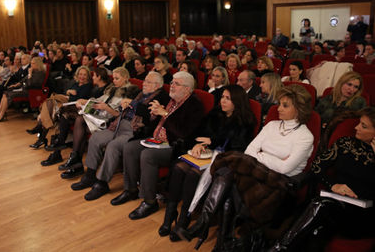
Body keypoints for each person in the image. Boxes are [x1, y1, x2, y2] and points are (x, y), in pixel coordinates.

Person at [181, 84, 314, 250]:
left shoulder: (305, 136)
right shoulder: (272, 125)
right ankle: (220, 242)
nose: (278, 108)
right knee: (228, 176)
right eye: (279, 103)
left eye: (285, 105)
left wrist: (261, 155)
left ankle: (204, 224)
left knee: (230, 164)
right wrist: (268, 157)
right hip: (252, 173)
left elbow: (285, 168)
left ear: (300, 109)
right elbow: (250, 150)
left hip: (277, 184)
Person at [270, 107, 375, 251]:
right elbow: (316, 166)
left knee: (320, 207)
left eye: (364, 126)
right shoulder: (345, 143)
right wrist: (333, 185)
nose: (356, 127)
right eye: (359, 123)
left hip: (361, 216)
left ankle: (278, 249)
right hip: (335, 204)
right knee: (316, 229)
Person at [159, 85, 256, 242]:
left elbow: (239, 146)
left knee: (192, 174)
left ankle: (184, 218)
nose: (222, 101)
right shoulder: (215, 113)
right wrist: (198, 144)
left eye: (227, 98)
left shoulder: (245, 120)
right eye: (222, 97)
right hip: (206, 155)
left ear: (237, 101)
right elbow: (199, 134)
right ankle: (170, 215)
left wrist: (212, 141)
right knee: (178, 168)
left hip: (225, 160)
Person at [112, 72, 205, 220]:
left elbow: (183, 132)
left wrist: (165, 113)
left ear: (187, 89)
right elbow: (153, 122)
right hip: (155, 139)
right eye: (172, 82)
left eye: (176, 84)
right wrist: (155, 112)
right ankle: (130, 190)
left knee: (148, 155)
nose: (172, 86)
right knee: (130, 148)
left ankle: (149, 201)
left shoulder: (194, 105)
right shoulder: (172, 99)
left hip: (175, 146)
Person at [70, 72, 170, 200]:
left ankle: (102, 183)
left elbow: (150, 117)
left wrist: (133, 104)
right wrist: (125, 106)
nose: (144, 84)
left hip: (134, 130)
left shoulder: (161, 97)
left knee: (113, 146)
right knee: (96, 138)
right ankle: (90, 175)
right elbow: (126, 108)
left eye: (148, 82)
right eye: (145, 81)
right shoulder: (140, 94)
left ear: (157, 85)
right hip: (119, 123)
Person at [45, 67, 139, 170]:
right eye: (113, 78)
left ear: (125, 78)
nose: (114, 81)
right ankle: (75, 159)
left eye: (117, 78)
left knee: (79, 121)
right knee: (73, 118)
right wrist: (85, 101)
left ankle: (75, 159)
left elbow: (120, 114)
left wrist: (106, 108)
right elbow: (99, 100)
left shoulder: (129, 92)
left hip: (110, 121)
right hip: (100, 116)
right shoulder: (113, 88)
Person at [27, 66, 93, 149]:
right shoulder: (76, 83)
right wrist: (69, 92)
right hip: (67, 104)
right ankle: (42, 136)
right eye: (80, 74)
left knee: (51, 105)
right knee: (49, 102)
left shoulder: (88, 86)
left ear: (88, 76)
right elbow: (68, 93)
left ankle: (41, 132)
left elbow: (78, 99)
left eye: (84, 75)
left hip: (74, 107)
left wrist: (69, 94)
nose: (82, 77)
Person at [0, 56, 46, 122]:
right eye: (31, 63)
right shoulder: (33, 71)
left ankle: (1, 116)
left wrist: (29, 74)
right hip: (24, 89)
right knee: (5, 93)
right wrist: (16, 85)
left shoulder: (40, 73)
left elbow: (30, 84)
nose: (31, 65)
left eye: (33, 63)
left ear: (38, 64)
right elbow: (23, 80)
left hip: (31, 91)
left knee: (9, 94)